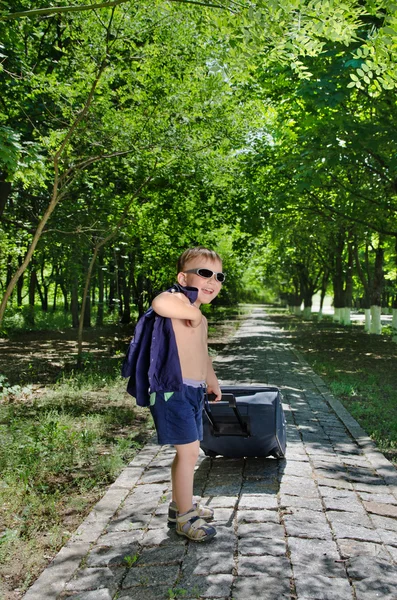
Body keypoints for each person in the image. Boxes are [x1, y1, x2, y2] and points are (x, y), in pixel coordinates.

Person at [150, 247, 225, 542]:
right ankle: (184, 517)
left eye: (219, 276)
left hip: (194, 392)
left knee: (188, 451)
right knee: (189, 451)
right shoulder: (175, 300)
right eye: (204, 273)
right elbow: (159, 304)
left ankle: (180, 504)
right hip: (172, 391)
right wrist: (190, 310)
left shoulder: (201, 318)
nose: (212, 281)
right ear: (183, 277)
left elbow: (202, 354)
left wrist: (212, 381)